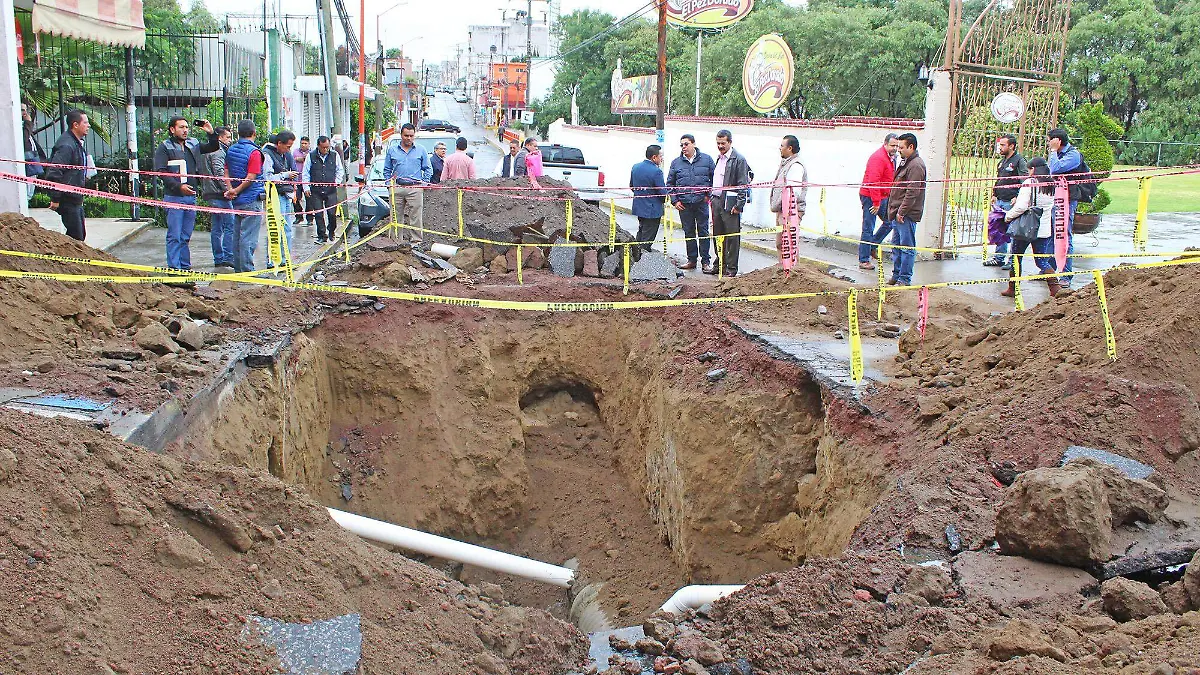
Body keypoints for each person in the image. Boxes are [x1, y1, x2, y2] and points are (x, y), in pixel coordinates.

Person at [153, 117, 219, 270]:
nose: (185, 130)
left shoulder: (193, 144)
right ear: (172, 129)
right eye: (181, 127)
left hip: (190, 197)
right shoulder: (165, 147)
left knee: (185, 236)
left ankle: (185, 267)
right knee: (174, 236)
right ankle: (175, 269)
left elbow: (213, 147)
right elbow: (161, 172)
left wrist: (211, 132)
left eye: (187, 127)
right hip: (174, 197)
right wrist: (178, 186)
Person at [1000, 156, 1061, 298]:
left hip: (1026, 228)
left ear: (1033, 169)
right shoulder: (1051, 184)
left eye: (1029, 170)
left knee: (1016, 257)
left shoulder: (1030, 183)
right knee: (1041, 261)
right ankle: (1055, 288)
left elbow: (1021, 206)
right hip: (1044, 229)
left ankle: (1012, 288)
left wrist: (1007, 216)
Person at [666, 134, 716, 272]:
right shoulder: (676, 163)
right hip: (684, 204)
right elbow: (670, 184)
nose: (684, 147)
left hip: (701, 203)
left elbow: (715, 179)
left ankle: (706, 262)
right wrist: (675, 201)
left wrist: (708, 195)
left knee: (703, 232)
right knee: (689, 232)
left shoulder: (707, 159)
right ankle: (691, 260)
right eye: (681, 145)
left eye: (686, 144)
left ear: (693, 144)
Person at [223, 119, 266, 273]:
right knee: (249, 237)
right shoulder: (254, 152)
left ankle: (239, 269)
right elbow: (251, 177)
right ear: (254, 133)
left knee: (237, 236)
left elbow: (226, 171)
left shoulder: (231, 149)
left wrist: (231, 189)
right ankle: (248, 270)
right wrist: (237, 190)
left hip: (237, 200)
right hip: (251, 198)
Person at [42, 109, 91, 241]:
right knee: (76, 236)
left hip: (75, 197)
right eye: (85, 122)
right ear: (75, 125)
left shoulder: (75, 142)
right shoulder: (66, 145)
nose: (88, 125)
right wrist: (56, 198)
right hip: (67, 198)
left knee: (79, 235)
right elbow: (55, 172)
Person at [884, 133, 926, 286]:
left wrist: (902, 212)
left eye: (901, 147)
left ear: (911, 147)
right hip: (897, 212)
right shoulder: (905, 162)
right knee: (896, 246)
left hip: (906, 215)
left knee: (907, 248)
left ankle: (905, 278)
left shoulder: (916, 165)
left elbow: (912, 192)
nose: (898, 150)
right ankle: (897, 274)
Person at [708, 129, 751, 277]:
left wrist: (739, 205)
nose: (720, 146)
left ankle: (731, 268)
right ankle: (720, 264)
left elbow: (742, 184)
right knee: (717, 235)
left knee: (732, 237)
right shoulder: (719, 158)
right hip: (716, 201)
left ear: (730, 142)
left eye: (723, 143)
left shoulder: (738, 159)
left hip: (730, 204)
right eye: (718, 143)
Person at [381, 123, 433, 243]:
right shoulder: (392, 150)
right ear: (401, 135)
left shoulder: (421, 150)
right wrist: (389, 185)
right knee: (395, 217)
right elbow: (387, 169)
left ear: (414, 135)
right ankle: (395, 241)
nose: (408, 138)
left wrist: (423, 184)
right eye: (406, 135)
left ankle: (416, 241)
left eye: (411, 136)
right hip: (397, 187)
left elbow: (428, 169)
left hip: (415, 188)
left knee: (415, 217)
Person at [1047, 127, 1083, 286]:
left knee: (1064, 234)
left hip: (1068, 200)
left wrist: (1053, 152)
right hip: (1056, 197)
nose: (1048, 143)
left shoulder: (1073, 154)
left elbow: (1055, 169)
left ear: (1057, 141)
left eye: (1050, 140)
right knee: (1052, 233)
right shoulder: (1057, 154)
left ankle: (1066, 275)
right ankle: (1050, 269)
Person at [859, 133, 899, 270]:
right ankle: (864, 260)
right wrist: (876, 202)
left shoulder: (892, 158)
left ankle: (872, 245)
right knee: (868, 228)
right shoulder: (878, 158)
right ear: (885, 144)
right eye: (892, 145)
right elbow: (873, 182)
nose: (895, 148)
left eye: (897, 146)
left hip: (883, 196)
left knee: (889, 222)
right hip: (871, 196)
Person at [987, 133, 1028, 269]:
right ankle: (999, 257)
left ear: (1012, 146)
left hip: (1011, 201)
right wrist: (994, 193)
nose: (1000, 147)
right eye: (1000, 144)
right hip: (1000, 199)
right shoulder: (1002, 161)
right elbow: (999, 179)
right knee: (999, 230)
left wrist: (1018, 196)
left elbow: (1024, 180)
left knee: (1013, 231)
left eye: (1003, 145)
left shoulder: (1019, 161)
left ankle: (1012, 261)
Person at [261, 130, 300, 267]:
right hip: (275, 196)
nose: (289, 150)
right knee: (275, 229)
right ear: (279, 143)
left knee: (287, 229)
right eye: (287, 146)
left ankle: (285, 259)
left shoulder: (283, 155)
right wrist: (285, 176)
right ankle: (274, 259)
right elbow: (267, 178)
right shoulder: (267, 155)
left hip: (285, 195)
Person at [200, 126, 235, 268]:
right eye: (228, 137)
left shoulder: (209, 150)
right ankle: (227, 256)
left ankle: (219, 258)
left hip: (210, 192)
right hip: (219, 194)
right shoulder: (218, 152)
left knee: (217, 227)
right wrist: (228, 190)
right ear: (220, 137)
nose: (230, 140)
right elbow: (219, 173)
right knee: (229, 225)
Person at [303, 136, 345, 243]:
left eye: (327, 147)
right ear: (318, 146)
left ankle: (331, 230)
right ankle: (322, 235)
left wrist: (336, 182)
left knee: (332, 213)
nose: (326, 150)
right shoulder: (311, 156)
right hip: (316, 191)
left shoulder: (334, 155)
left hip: (331, 190)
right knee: (318, 214)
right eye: (323, 148)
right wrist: (306, 187)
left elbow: (340, 170)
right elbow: (306, 172)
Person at [770, 135, 807, 256]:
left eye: (782, 145)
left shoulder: (795, 166)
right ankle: (783, 271)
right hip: (783, 210)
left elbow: (793, 192)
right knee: (781, 244)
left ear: (790, 148)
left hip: (790, 212)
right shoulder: (786, 163)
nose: (779, 148)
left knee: (789, 245)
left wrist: (787, 212)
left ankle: (792, 272)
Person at [630, 144, 667, 251]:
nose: (662, 159)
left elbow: (632, 186)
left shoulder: (635, 167)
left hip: (639, 207)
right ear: (654, 157)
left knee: (641, 232)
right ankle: (641, 259)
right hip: (652, 210)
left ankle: (636, 254)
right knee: (647, 239)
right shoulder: (656, 171)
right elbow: (662, 193)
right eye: (661, 156)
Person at [21, 103, 46, 201]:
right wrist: (28, 123)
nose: (25, 113)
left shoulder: (24, 125)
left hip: (32, 161)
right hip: (27, 162)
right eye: (22, 110)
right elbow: (23, 139)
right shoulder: (22, 126)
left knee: (31, 187)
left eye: (25, 110)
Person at [292, 136, 313, 226]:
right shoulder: (295, 152)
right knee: (295, 199)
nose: (303, 145)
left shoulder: (312, 153)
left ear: (309, 144)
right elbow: (292, 161)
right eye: (302, 143)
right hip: (297, 179)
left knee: (309, 200)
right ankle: (299, 217)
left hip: (308, 180)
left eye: (305, 143)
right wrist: (297, 159)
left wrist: (304, 159)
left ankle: (310, 218)